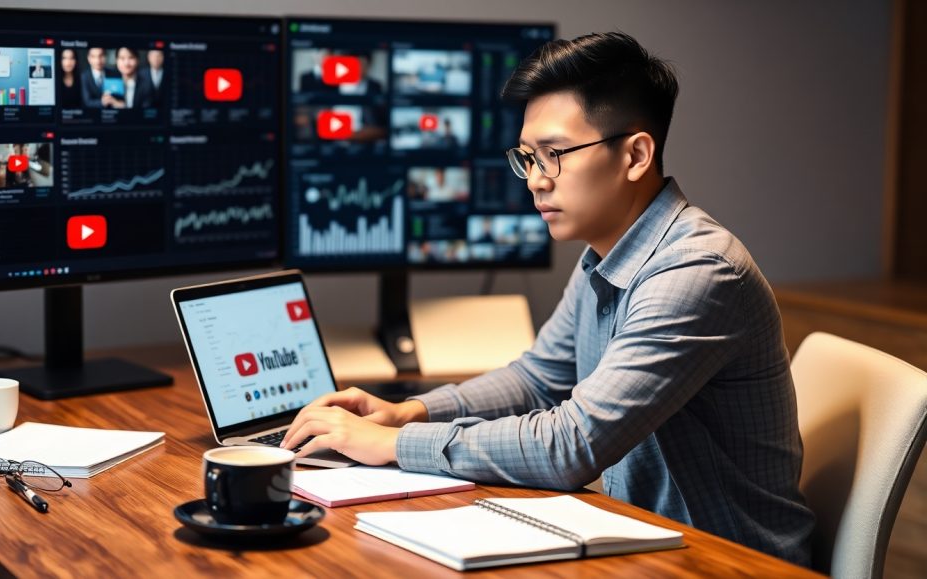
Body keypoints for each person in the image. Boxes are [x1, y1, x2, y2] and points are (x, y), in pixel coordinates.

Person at [282, 32, 815, 567]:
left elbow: (571, 445)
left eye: (553, 155)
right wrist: (407, 412)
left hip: (732, 564)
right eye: (528, 158)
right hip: (648, 544)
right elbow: (537, 379)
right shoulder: (606, 257)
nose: (535, 181)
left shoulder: (696, 272)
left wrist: (391, 446)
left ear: (635, 155)